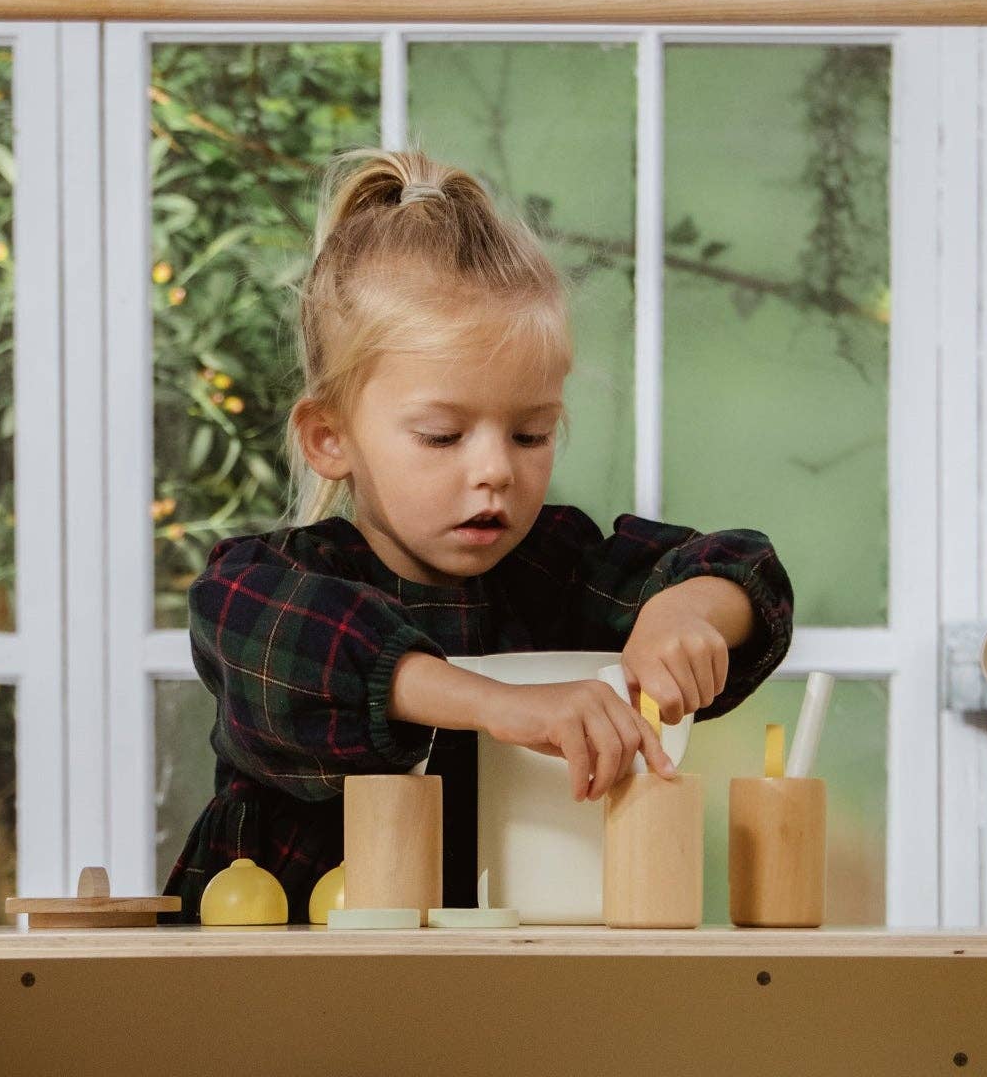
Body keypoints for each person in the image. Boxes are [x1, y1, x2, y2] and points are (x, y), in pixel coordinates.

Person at [166, 147, 794, 921]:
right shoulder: (273, 585)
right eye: (442, 435)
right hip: (284, 972)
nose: (496, 470)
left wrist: (687, 613)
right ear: (329, 437)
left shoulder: (556, 573)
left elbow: (739, 565)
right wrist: (501, 705)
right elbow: (306, 647)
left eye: (532, 434)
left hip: (508, 972)